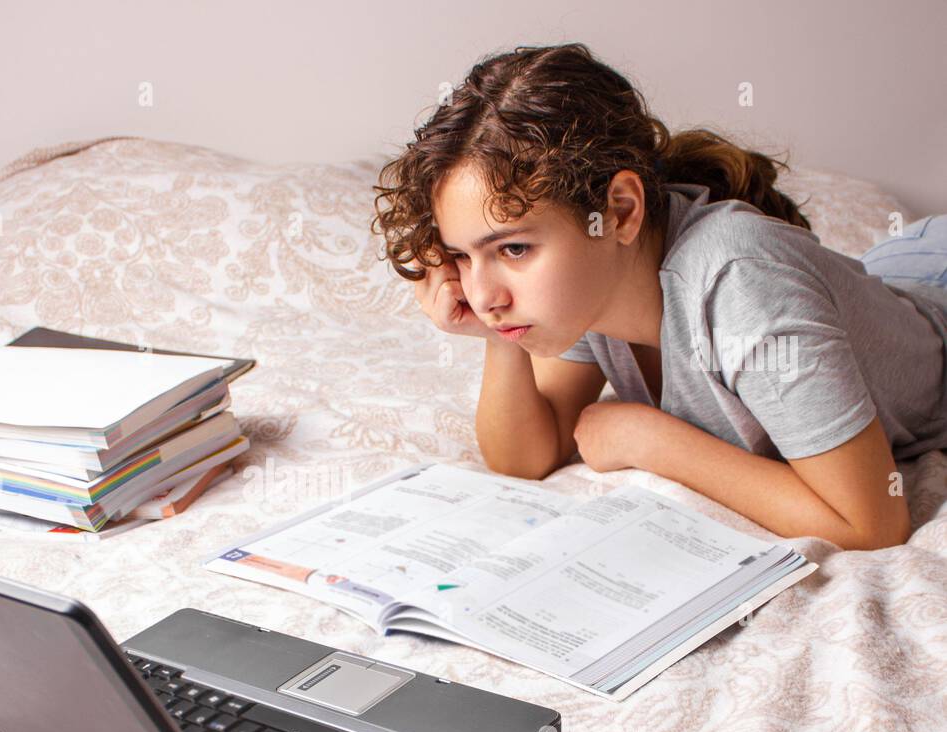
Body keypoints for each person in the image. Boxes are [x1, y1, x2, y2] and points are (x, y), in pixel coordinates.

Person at [371, 43, 947, 550]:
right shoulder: (589, 285)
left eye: (514, 249)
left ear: (619, 211)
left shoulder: (741, 286)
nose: (481, 291)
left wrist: (650, 439)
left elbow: (872, 525)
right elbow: (526, 457)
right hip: (896, 280)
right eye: (465, 257)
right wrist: (495, 335)